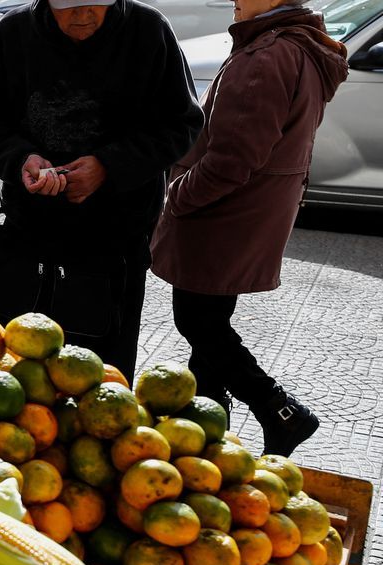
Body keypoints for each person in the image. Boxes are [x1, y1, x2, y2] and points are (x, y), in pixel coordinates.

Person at [0, 0, 204, 379]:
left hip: (115, 239)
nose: (83, 14)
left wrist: (108, 166)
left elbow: (182, 124)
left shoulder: (148, 30)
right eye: (69, 4)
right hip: (29, 231)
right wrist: (21, 159)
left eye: (95, 2)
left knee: (100, 375)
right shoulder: (14, 32)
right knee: (19, 370)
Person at [150, 0, 348, 456]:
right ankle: (206, 423)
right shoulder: (295, 45)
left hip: (223, 217)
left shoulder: (267, 55)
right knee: (211, 321)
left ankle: (281, 410)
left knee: (199, 323)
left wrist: (175, 198)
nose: (235, 0)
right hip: (249, 215)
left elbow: (230, 161)